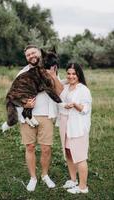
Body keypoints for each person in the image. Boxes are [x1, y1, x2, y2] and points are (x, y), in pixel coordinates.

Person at [17, 45, 62, 192]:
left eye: (33, 52)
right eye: (28, 54)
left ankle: (45, 175)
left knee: (46, 148)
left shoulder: (50, 69)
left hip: (46, 115)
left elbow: (60, 92)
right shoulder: (22, 73)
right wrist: (25, 103)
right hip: (28, 116)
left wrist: (54, 76)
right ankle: (33, 178)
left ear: (39, 54)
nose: (31, 56)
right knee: (29, 147)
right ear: (26, 58)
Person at [57, 63, 92, 194]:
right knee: (68, 152)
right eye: (69, 73)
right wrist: (64, 105)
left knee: (80, 156)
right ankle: (73, 180)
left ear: (79, 75)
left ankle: (83, 187)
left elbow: (86, 109)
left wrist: (75, 105)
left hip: (77, 126)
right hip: (65, 124)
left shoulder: (83, 89)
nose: (71, 76)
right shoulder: (65, 87)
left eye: (74, 74)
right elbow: (58, 99)